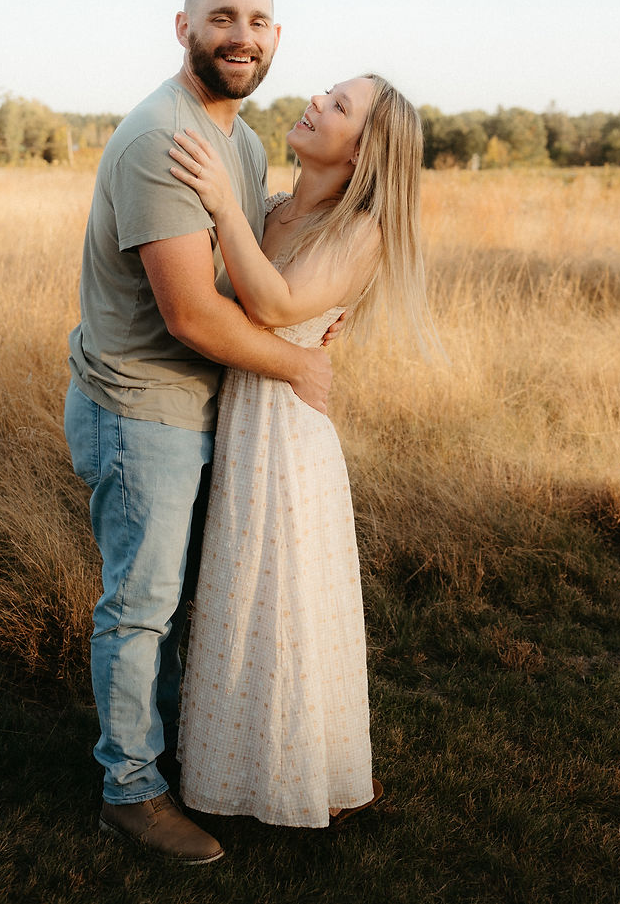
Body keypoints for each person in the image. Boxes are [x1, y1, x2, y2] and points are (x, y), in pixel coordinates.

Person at [64, 0, 339, 865]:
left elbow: (252, 274)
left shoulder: (243, 141)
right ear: (182, 28)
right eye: (221, 16)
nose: (241, 35)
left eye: (258, 20)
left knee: (188, 601)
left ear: (275, 37)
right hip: (142, 409)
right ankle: (130, 789)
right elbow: (191, 312)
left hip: (200, 407)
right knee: (142, 607)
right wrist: (302, 366)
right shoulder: (161, 138)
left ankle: (190, 754)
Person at [167, 72, 437, 828]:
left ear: (359, 154)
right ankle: (242, 769)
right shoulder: (276, 209)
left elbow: (277, 304)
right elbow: (218, 301)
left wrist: (222, 205)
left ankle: (307, 772)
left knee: (286, 598)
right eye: (327, 91)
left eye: (339, 105)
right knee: (241, 592)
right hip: (242, 417)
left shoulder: (362, 230)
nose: (317, 100)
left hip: (288, 432)